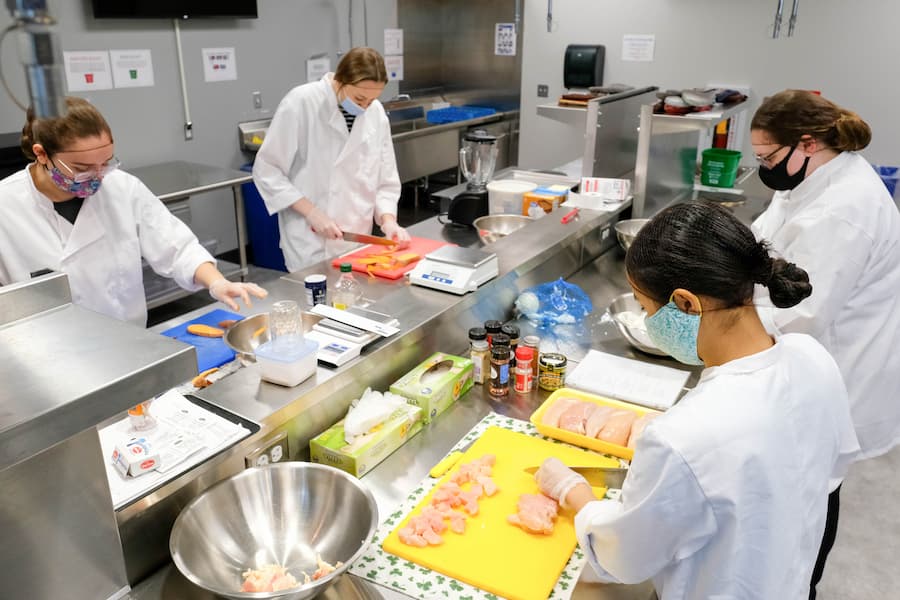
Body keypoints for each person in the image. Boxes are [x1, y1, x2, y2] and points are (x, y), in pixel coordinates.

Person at [535, 203, 859, 600]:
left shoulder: (683, 437)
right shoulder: (812, 357)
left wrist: (576, 495)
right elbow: (832, 469)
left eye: (645, 307)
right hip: (791, 580)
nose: (647, 321)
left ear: (686, 304)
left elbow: (624, 558)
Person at [750, 90, 900, 596]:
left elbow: (804, 315)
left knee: (816, 489)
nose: (763, 167)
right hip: (816, 357)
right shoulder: (809, 176)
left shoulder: (844, 210)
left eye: (767, 157)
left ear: (807, 143)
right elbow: (766, 234)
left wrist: (722, 322)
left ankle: (801, 586)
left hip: (840, 366)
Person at [0, 97, 267, 327]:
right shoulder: (6, 206)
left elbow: (176, 246)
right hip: (48, 357)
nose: (96, 178)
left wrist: (217, 282)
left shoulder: (122, 188)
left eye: (105, 164)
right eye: (81, 169)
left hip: (129, 343)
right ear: (42, 154)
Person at [252, 47, 410, 272]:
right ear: (341, 80)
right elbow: (267, 169)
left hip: (355, 239)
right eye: (359, 98)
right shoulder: (302, 102)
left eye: (372, 99)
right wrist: (313, 213)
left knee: (350, 297)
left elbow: (385, 179)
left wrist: (388, 221)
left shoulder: (375, 113)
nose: (364, 107)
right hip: (310, 237)